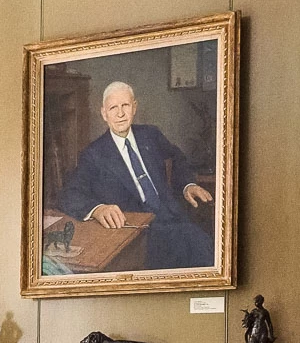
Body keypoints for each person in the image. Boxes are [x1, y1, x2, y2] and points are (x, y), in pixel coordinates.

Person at [54, 80, 215, 270]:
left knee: (203, 247)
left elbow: (177, 157)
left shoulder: (150, 135)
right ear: (104, 114)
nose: (120, 114)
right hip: (138, 233)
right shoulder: (94, 153)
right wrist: (97, 209)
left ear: (134, 107)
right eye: (113, 108)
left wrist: (188, 184)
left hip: (174, 217)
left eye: (125, 106)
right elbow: (69, 194)